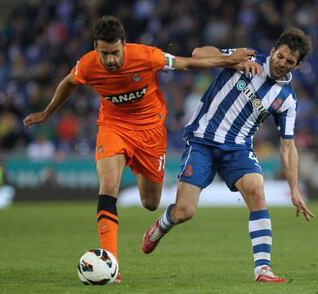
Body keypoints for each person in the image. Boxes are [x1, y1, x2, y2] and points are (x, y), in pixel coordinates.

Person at [23, 15, 256, 282]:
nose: (110, 60)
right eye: (104, 54)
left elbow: (188, 63)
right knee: (108, 186)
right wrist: (47, 112)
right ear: (95, 48)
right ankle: (110, 262)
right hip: (113, 127)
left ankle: (152, 224)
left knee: (150, 203)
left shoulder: (146, 56)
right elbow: (68, 82)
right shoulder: (87, 65)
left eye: (114, 53)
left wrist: (230, 61)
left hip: (150, 134)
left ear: (124, 44)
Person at [142, 28, 314, 283]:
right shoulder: (246, 57)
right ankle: (163, 224)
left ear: (297, 66)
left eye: (290, 62)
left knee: (256, 189)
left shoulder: (286, 100)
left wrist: (295, 189)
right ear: (273, 50)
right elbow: (199, 53)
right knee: (185, 211)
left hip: (238, 148)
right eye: (280, 56)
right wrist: (232, 60)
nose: (282, 63)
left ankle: (263, 269)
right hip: (203, 140)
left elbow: (288, 147)